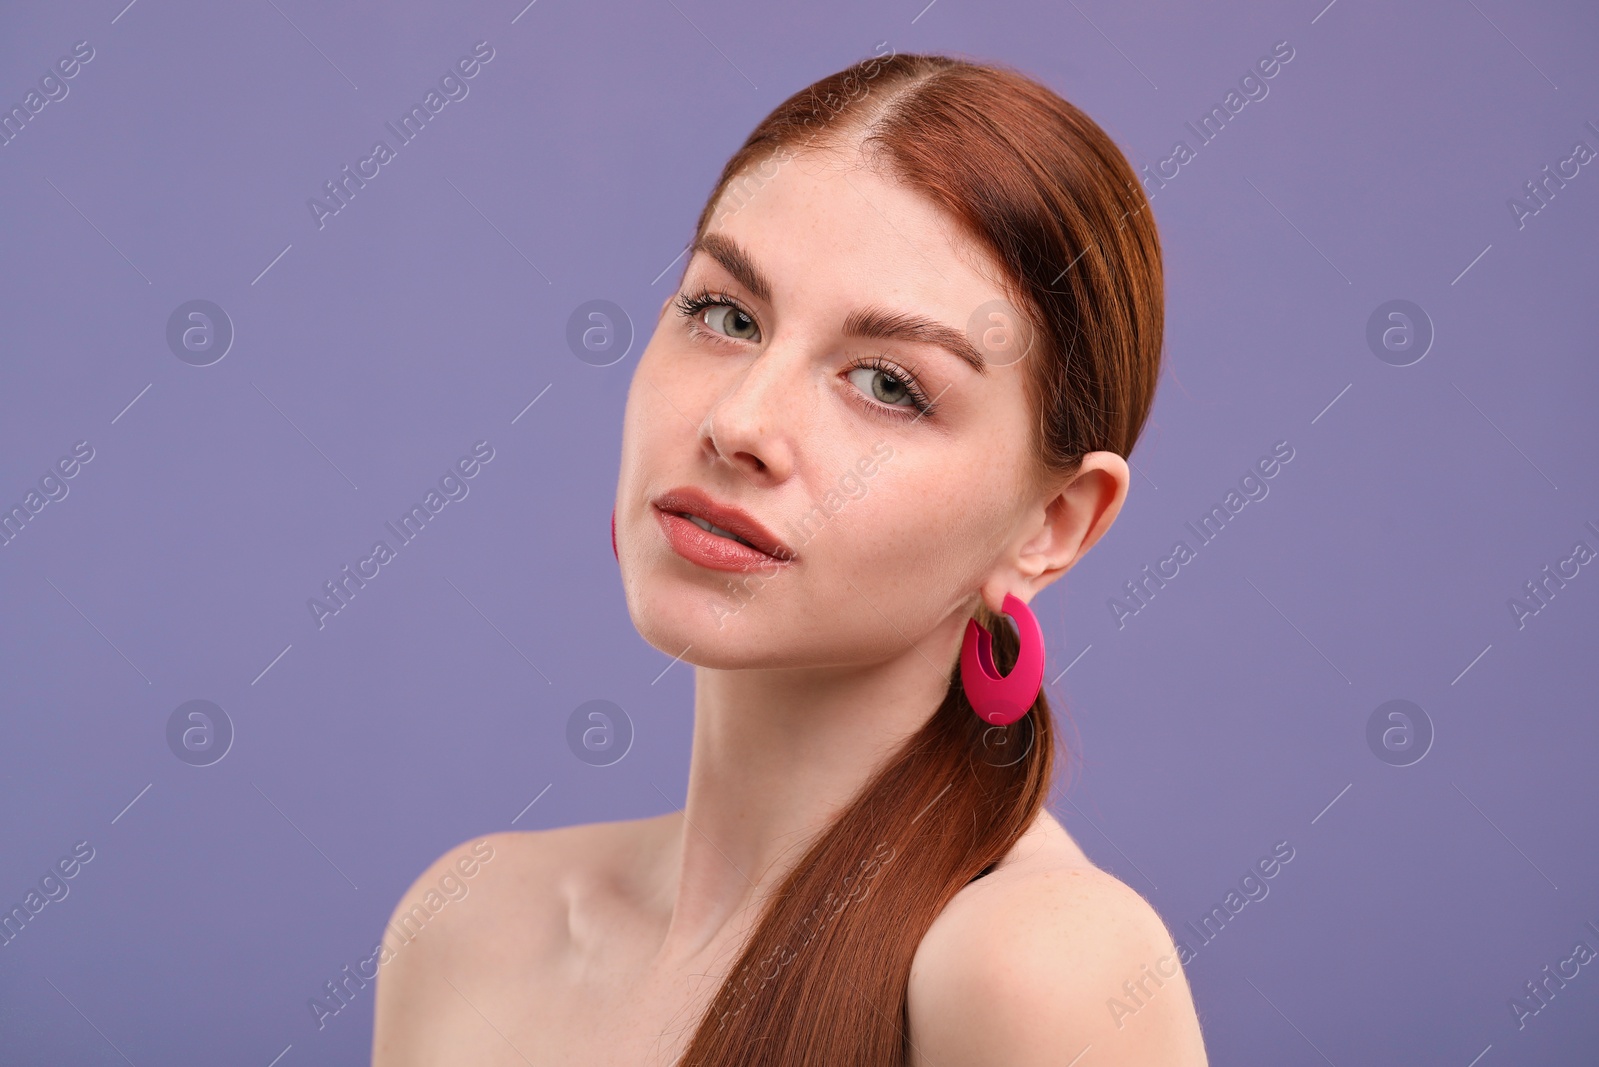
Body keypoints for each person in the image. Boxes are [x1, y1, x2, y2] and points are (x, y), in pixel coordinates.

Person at [372, 50, 1208, 1066]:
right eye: (724, 315)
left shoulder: (1037, 965)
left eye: (887, 383)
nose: (737, 422)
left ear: (1054, 524)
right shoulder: (468, 925)